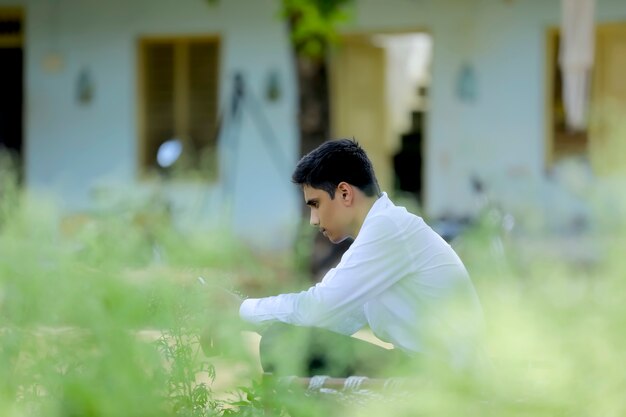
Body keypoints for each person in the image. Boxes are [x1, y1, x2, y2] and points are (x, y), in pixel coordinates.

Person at [211, 138, 484, 378]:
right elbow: (333, 320)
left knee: (284, 342)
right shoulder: (381, 231)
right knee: (288, 340)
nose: (313, 220)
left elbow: (319, 308)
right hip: (424, 367)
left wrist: (239, 309)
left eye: (315, 204)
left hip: (443, 376)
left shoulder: (388, 227)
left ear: (344, 193)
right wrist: (244, 322)